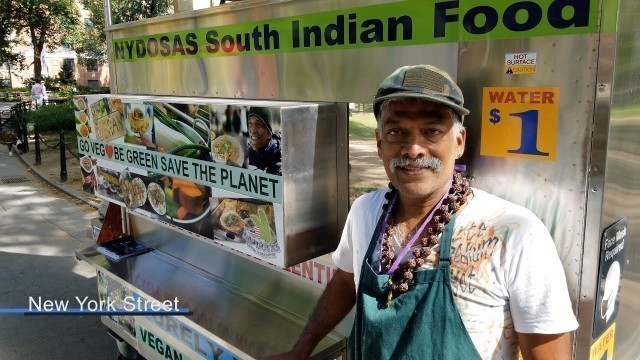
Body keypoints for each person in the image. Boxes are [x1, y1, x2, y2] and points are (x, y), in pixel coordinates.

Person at [267, 65, 578, 359]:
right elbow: (345, 284)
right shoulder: (365, 211)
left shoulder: (513, 234)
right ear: (379, 143)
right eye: (395, 132)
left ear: (459, 142)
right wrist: (301, 350)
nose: (412, 148)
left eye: (431, 131)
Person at [245, 107, 282, 175]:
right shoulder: (245, 155)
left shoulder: (279, 159)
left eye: (258, 125)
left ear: (269, 133)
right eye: (250, 123)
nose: (253, 130)